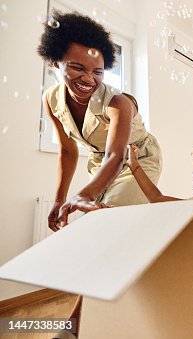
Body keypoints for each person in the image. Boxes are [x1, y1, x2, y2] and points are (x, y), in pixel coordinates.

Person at [37, 11, 162, 229]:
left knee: (109, 222)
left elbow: (116, 155)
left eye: (97, 71)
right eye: (77, 67)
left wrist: (84, 195)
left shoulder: (118, 103)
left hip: (137, 159)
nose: (88, 79)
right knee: (98, 221)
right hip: (101, 163)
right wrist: (59, 200)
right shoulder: (51, 99)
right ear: (56, 62)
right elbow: (68, 151)